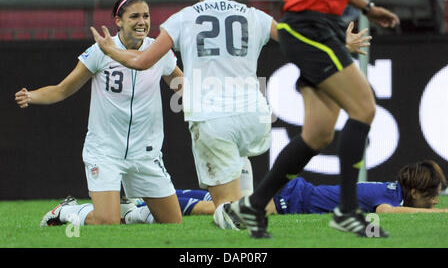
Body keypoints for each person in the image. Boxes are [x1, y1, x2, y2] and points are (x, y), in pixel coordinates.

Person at [89, 0, 371, 227]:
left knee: (224, 208)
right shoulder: (254, 15)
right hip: (255, 118)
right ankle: (247, 208)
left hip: (213, 119)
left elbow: (141, 61)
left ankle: (233, 215)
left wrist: (111, 50)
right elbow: (299, 41)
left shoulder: (182, 19)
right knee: (241, 186)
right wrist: (341, 45)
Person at [224, 0, 400, 238]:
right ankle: (347, 210)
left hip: (321, 27)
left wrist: (368, 9)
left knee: (318, 134)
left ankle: (255, 205)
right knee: (364, 107)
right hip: (308, 26)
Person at [15, 0, 184, 227]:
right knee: (106, 222)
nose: (142, 21)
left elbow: (181, 85)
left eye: (146, 16)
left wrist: (205, 100)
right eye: (134, 16)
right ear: (119, 21)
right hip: (105, 151)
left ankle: (129, 213)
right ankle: (67, 212)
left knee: (173, 222)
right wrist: (31, 96)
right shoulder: (100, 50)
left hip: (146, 151)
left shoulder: (158, 51)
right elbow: (63, 89)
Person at [133, 160, 448, 223]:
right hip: (294, 199)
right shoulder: (391, 197)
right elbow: (386, 213)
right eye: (431, 195)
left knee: (224, 203)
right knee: (220, 209)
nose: (434, 200)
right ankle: (148, 206)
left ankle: (156, 196)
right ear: (414, 190)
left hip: (296, 193)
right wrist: (439, 213)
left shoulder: (390, 189)